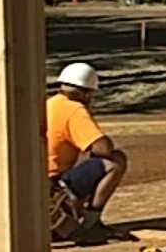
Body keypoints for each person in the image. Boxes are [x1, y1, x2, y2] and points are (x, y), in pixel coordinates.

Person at [46, 62, 127, 240]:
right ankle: (90, 224)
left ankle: (70, 215)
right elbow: (102, 148)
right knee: (115, 161)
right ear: (87, 93)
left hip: (39, 186)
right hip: (54, 186)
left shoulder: (50, 104)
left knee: (89, 165)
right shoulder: (74, 109)